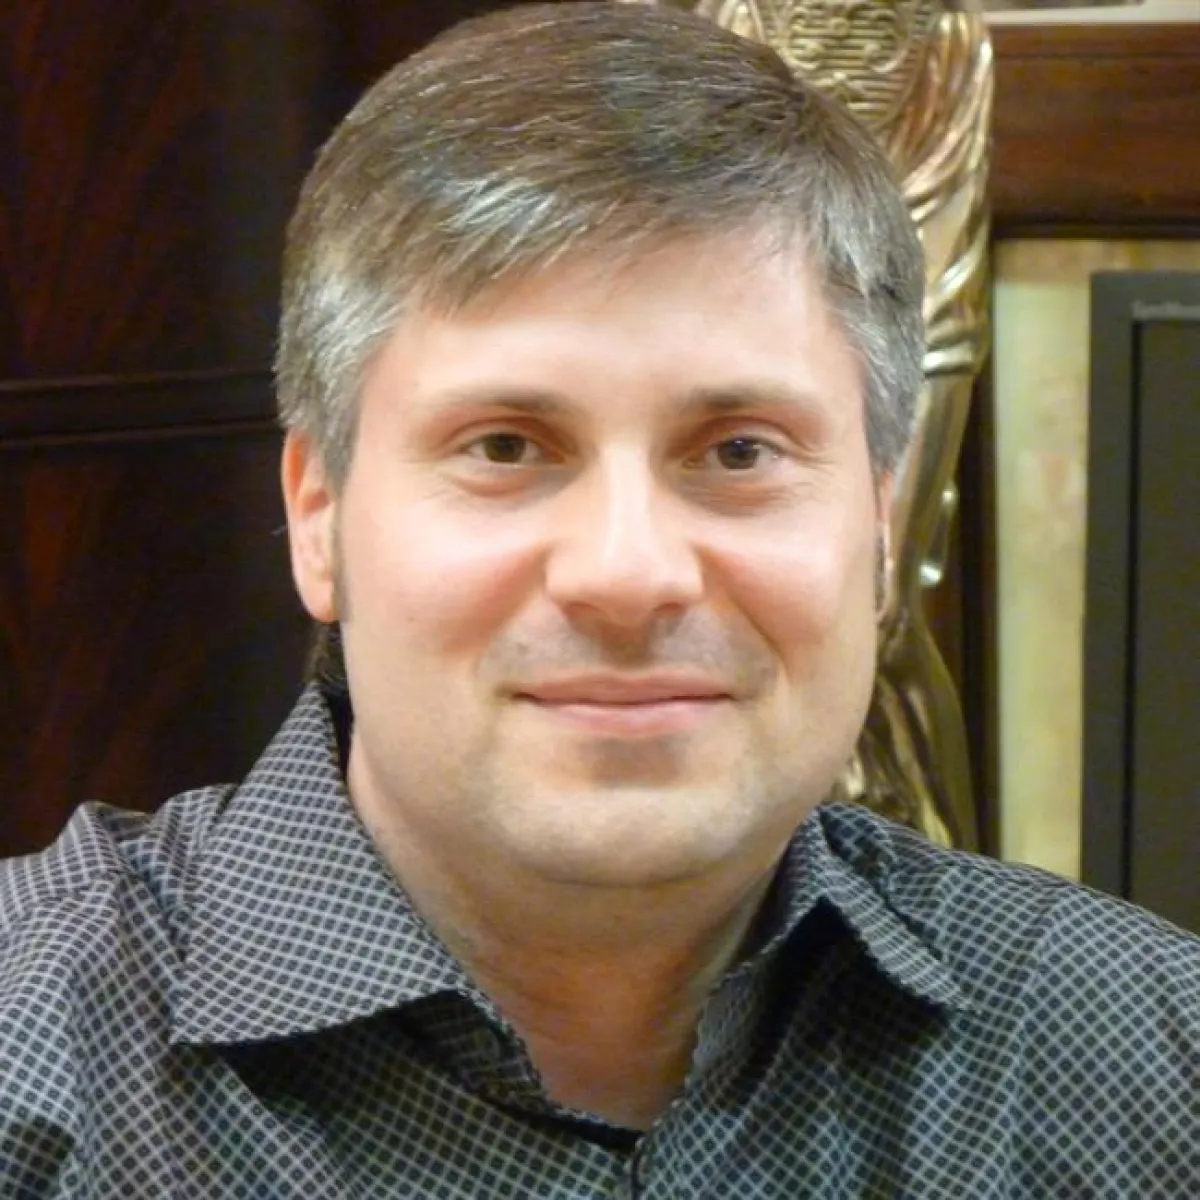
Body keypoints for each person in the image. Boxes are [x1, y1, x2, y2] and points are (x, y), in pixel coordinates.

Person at [1, 3, 1196, 1195]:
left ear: (881, 531)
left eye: (739, 452)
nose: (628, 574)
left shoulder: (1142, 1058)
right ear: (319, 515)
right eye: (506, 447)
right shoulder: (32, 1060)